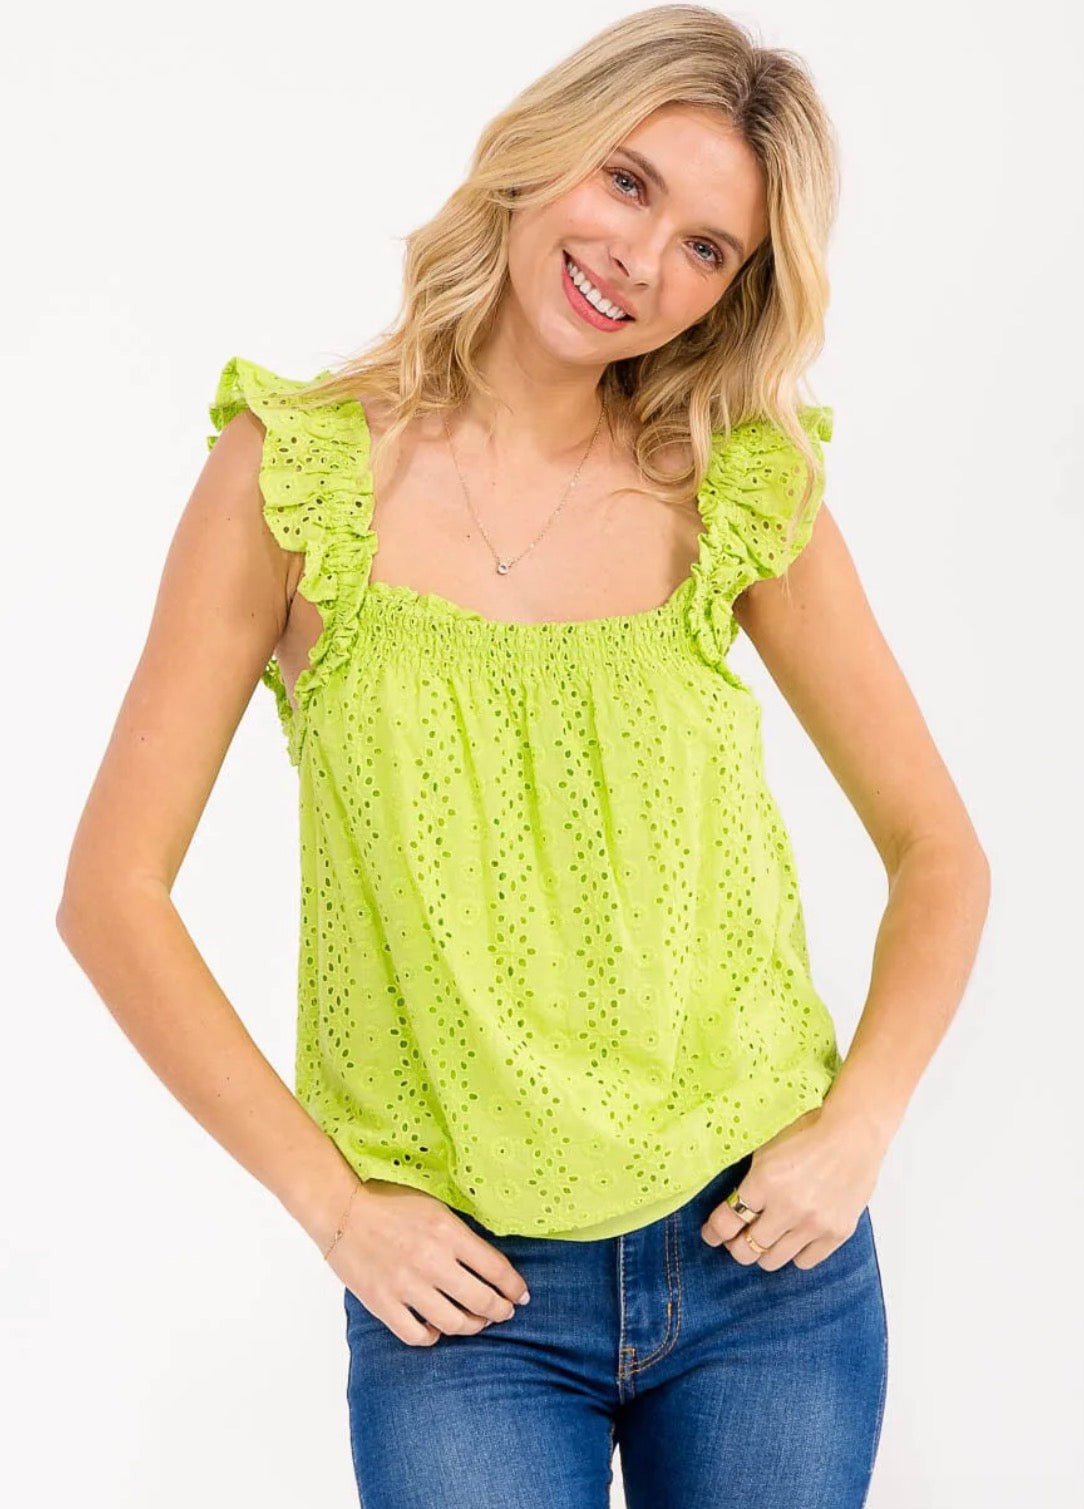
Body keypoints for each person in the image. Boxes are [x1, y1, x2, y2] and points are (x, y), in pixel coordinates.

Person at [57, 6, 991, 1507]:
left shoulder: (735, 489)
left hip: (763, 1263)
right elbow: (111, 892)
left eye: (707, 248)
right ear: (539, 153)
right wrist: (336, 1210)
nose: (643, 259)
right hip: (463, 1294)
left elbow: (940, 852)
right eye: (628, 182)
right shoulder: (293, 479)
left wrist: (859, 1125)